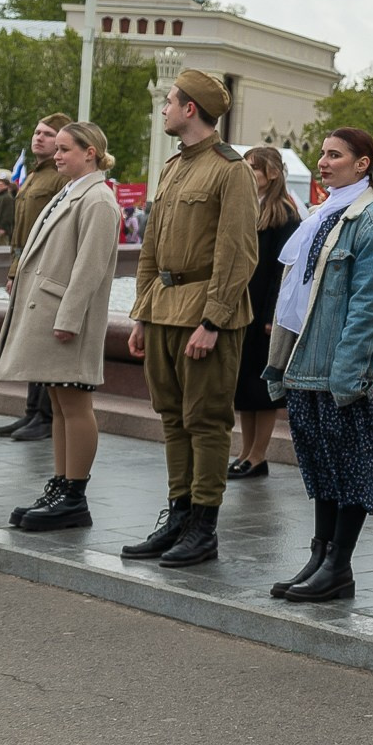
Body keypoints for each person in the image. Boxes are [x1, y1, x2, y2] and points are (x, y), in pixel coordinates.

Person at [120, 70, 260, 568]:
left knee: (206, 422)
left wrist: (213, 321)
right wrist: (141, 313)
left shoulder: (231, 169)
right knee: (173, 418)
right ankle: (178, 516)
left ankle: (203, 527)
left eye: (170, 101)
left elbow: (238, 253)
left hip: (203, 314)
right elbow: (151, 248)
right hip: (163, 308)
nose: (164, 108)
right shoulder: (174, 166)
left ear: (190, 109)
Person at [263, 128, 373, 603]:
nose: (323, 162)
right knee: (321, 469)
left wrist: (350, 371)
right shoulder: (322, 213)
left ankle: (339, 566)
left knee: (350, 472)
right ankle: (320, 557)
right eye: (322, 154)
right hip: (306, 363)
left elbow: (370, 307)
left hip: (340, 370)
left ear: (363, 164)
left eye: (334, 155)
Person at [0, 123, 122, 531]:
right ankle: (61, 485)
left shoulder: (98, 199)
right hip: (51, 313)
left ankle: (73, 495)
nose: (58, 155)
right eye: (58, 149)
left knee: (75, 403)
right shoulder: (72, 191)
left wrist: (68, 318)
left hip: (68, 319)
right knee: (60, 403)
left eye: (66, 149)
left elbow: (90, 267)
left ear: (90, 152)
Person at [228, 146, 302, 480]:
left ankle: (258, 455)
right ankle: (245, 452)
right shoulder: (249, 206)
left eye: (253, 168)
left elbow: (283, 272)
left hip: (264, 312)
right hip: (244, 308)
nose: (247, 174)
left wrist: (274, 314)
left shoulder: (284, 213)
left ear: (270, 173)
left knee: (262, 390)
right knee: (245, 387)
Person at [0, 114, 72, 443]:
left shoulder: (59, 178)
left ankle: (45, 415)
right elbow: (20, 231)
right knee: (31, 338)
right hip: (25, 264)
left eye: (47, 134)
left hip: (45, 268)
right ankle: (32, 411)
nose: (38, 137)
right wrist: (14, 270)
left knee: (42, 341)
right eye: (37, 131)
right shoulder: (32, 175)